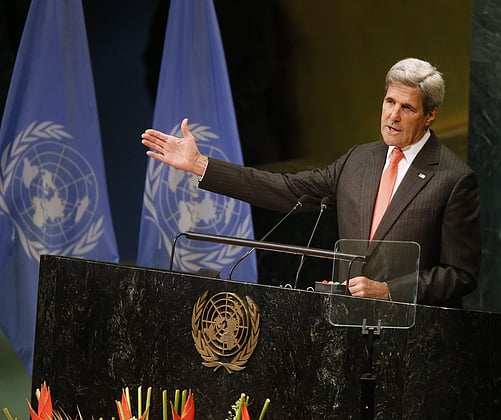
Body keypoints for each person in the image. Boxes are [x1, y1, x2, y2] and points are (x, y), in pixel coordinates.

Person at [141, 57, 480, 308]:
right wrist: (200, 165)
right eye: (389, 101)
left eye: (407, 108)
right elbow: (285, 189)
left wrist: (390, 291)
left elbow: (460, 274)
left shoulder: (452, 178)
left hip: (415, 337)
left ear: (430, 115)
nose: (393, 115)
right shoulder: (359, 160)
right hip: (346, 324)